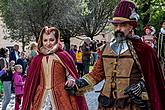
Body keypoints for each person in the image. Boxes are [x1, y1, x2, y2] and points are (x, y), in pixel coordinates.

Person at [67, 1, 165, 110]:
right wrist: (78, 84)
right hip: (106, 104)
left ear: (131, 26)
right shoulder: (105, 49)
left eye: (123, 25)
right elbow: (96, 74)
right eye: (115, 25)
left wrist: (140, 86)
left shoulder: (144, 50)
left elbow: (152, 77)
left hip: (131, 104)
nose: (118, 28)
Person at [22, 26, 88, 110]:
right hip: (41, 95)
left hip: (61, 94)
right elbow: (32, 79)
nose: (48, 43)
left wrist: (71, 79)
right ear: (41, 41)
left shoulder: (63, 56)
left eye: (51, 40)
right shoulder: (37, 59)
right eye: (45, 40)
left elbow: (70, 73)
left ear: (57, 40)